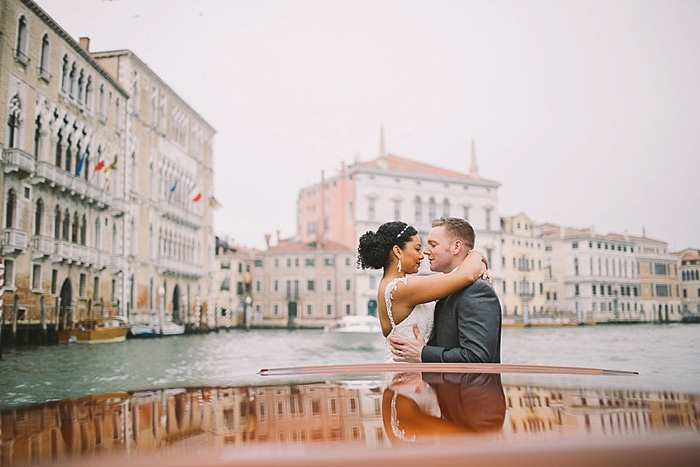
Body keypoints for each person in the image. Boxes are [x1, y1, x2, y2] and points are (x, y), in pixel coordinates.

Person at [357, 221, 488, 362]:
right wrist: (476, 254)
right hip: (408, 375)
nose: (422, 255)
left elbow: (455, 277)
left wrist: (477, 265)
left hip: (413, 371)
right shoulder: (400, 288)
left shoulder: (392, 285)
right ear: (397, 251)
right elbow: (464, 276)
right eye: (417, 249)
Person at [389, 217, 502, 363]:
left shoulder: (477, 290)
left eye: (433, 245)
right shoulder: (447, 287)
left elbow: (478, 357)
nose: (425, 252)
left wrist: (424, 353)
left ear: (456, 247)